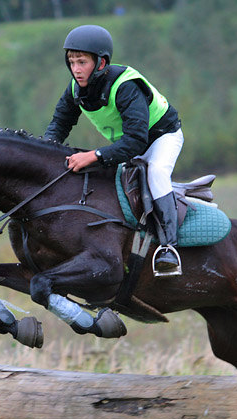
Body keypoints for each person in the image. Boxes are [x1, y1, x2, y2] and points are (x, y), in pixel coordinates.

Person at [43, 24, 184, 275]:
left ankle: (168, 248)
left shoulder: (126, 86)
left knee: (157, 172)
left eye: (82, 62)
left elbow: (136, 142)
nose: (75, 69)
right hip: (128, 145)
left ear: (100, 63)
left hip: (161, 138)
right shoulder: (75, 89)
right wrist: (44, 153)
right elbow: (59, 124)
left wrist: (94, 155)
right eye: (72, 62)